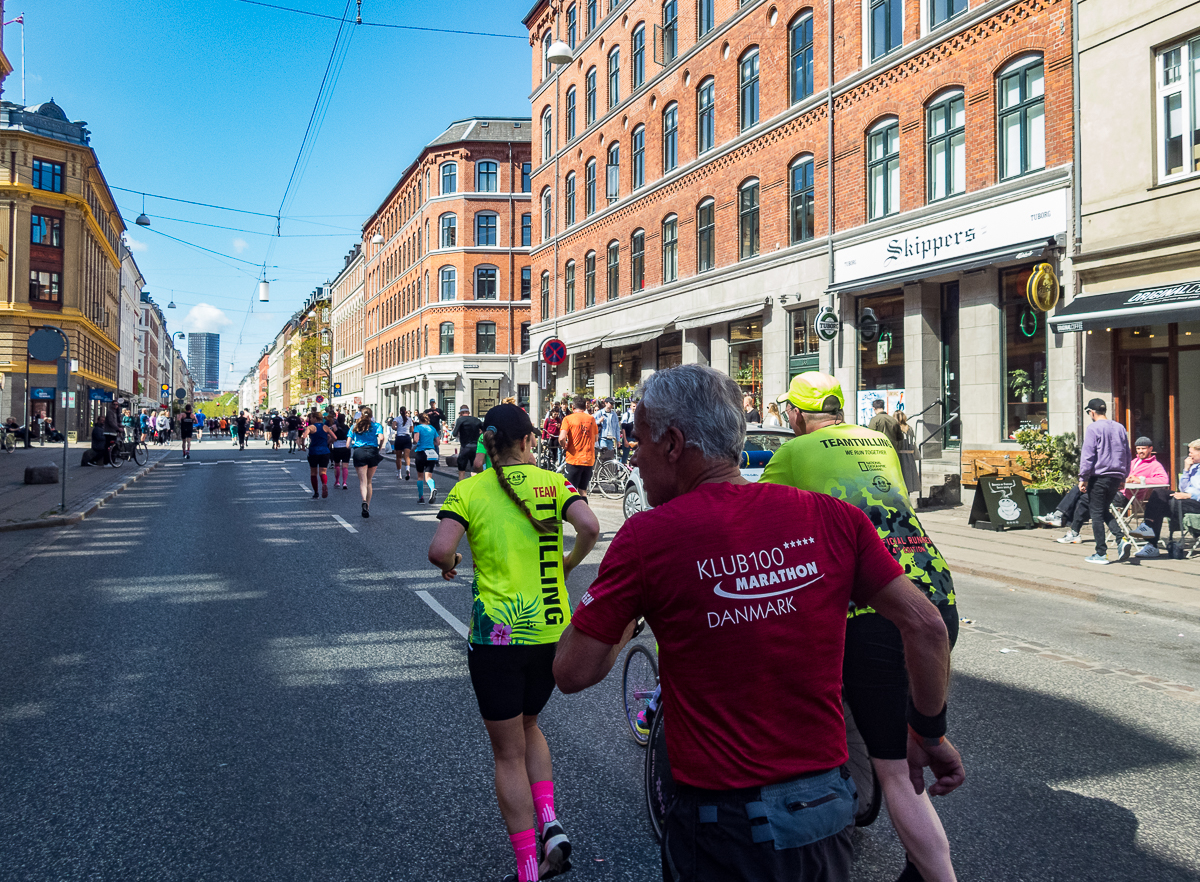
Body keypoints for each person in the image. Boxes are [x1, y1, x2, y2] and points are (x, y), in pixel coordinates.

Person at [553, 366, 962, 882]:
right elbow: (927, 626)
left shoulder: (645, 539)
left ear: (674, 444)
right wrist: (930, 732)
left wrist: (628, 618)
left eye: (639, 441)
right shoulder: (835, 518)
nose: (633, 456)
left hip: (720, 823)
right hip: (825, 809)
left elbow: (571, 671)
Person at [761, 371, 961, 882]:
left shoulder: (794, 452)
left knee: (896, 768)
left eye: (789, 411)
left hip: (874, 608)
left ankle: (934, 872)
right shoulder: (878, 441)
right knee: (912, 727)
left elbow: (755, 517)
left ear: (797, 413)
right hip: (933, 591)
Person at [428, 404, 600, 882]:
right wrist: (568, 564)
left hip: (497, 637)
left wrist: (455, 558)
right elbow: (590, 528)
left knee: (507, 752)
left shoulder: (468, 490)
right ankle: (549, 820)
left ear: (487, 444)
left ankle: (528, 867)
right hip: (551, 630)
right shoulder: (555, 484)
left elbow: (439, 550)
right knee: (531, 725)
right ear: (528, 442)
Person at [1040, 436, 1168, 538]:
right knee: (1079, 490)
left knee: (1085, 499)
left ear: (1150, 449)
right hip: (1115, 491)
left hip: (1127, 497)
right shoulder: (1133, 462)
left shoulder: (1155, 465)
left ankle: (1070, 527)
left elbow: (1164, 480)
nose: (1140, 451)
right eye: (1138, 448)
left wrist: (1140, 480)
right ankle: (1063, 519)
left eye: (1143, 449)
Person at [1078, 398, 1133, 564]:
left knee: (1096, 514)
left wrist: (1083, 478)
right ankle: (1121, 539)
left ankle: (1101, 553)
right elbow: (1127, 454)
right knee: (1102, 510)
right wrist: (1124, 476)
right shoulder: (1120, 427)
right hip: (1116, 476)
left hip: (1099, 476)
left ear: (1091, 412)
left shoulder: (1093, 428)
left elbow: (1088, 455)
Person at [1132, 440, 1200, 559]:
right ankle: (1150, 537)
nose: (1189, 455)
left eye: (1191, 453)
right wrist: (1186, 470)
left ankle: (1150, 541)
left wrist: (1190, 496)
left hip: (1196, 502)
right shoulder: (1193, 467)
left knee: (1160, 504)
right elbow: (1183, 488)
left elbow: (1187, 492)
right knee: (1159, 495)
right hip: (1186, 499)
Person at [558, 395, 599, 500]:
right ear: (585, 407)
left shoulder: (568, 419)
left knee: (569, 491)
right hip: (589, 460)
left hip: (574, 460)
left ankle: (570, 515)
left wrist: (564, 445)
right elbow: (596, 438)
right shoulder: (591, 419)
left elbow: (561, 438)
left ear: (572, 407)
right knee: (582, 491)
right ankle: (584, 515)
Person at [349, 407, 385, 517]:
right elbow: (382, 437)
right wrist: (379, 447)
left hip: (359, 452)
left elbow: (347, 444)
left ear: (360, 415)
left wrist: (354, 446)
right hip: (372, 451)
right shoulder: (377, 426)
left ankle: (364, 500)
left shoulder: (355, 426)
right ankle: (367, 506)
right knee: (369, 481)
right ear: (371, 415)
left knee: (362, 481)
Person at [304, 410, 337, 499]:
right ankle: (324, 484)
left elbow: (304, 436)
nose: (310, 419)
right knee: (323, 472)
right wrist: (327, 442)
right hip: (325, 451)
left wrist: (303, 446)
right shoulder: (325, 427)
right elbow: (334, 437)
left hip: (313, 451)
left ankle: (316, 493)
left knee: (313, 473)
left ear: (315, 418)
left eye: (311, 418)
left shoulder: (311, 427)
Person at [452, 404, 485, 482]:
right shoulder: (477, 420)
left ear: (460, 413)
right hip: (476, 447)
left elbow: (454, 434)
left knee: (461, 470)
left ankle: (462, 487)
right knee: (474, 469)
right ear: (469, 412)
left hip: (465, 447)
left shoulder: (460, 420)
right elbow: (484, 431)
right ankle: (474, 487)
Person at [413, 412, 440, 504]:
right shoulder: (432, 428)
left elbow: (416, 440)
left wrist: (414, 442)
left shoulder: (418, 427)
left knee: (420, 476)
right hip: (431, 453)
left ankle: (421, 498)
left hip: (421, 453)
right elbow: (438, 442)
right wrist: (431, 444)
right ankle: (432, 488)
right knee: (428, 477)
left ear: (420, 420)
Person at [896, 410, 919, 496]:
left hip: (899, 456)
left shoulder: (895, 428)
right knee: (908, 480)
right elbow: (913, 442)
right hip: (909, 456)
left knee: (900, 480)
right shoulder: (909, 428)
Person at [331, 413, 352, 489]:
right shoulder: (347, 427)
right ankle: (345, 482)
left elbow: (332, 436)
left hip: (337, 448)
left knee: (337, 465)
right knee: (345, 466)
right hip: (346, 448)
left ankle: (337, 481)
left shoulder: (334, 427)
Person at [394, 406, 415, 480]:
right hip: (407, 438)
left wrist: (398, 428)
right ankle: (407, 469)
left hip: (399, 437)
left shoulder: (397, 419)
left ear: (400, 411)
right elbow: (412, 430)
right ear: (406, 411)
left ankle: (399, 473)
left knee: (398, 457)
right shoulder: (410, 419)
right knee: (407, 456)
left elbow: (393, 426)